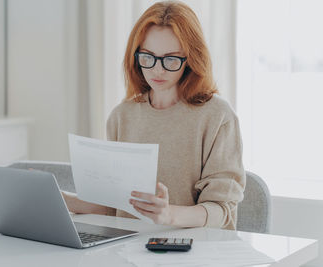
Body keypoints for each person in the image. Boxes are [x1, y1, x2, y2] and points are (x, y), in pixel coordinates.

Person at [63, 0, 245, 230]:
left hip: (190, 250)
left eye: (170, 59)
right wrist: (60, 198)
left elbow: (222, 211)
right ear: (136, 56)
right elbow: (113, 206)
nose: (157, 70)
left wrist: (169, 215)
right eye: (148, 57)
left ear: (190, 59)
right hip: (127, 249)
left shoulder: (217, 116)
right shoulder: (122, 115)